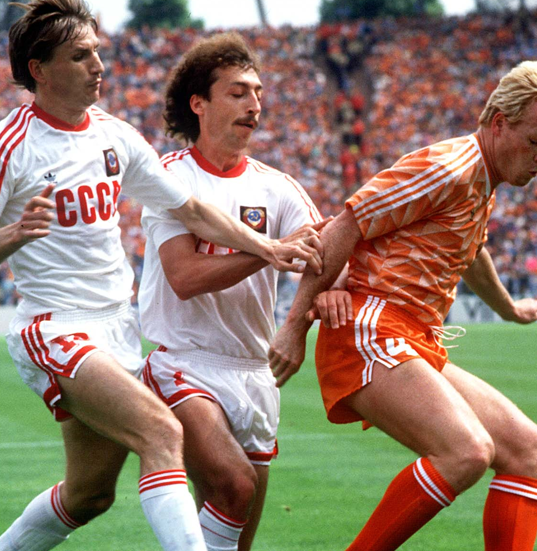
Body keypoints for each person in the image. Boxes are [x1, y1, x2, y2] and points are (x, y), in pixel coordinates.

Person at [0, 2, 321, 550]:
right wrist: (13, 234)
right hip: (53, 326)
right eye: (80, 55)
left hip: (116, 328)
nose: (98, 64)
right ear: (39, 69)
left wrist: (265, 246)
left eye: (97, 51)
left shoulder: (115, 136)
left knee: (89, 495)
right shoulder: (2, 146)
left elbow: (193, 209)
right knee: (161, 432)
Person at [268, 61, 537, 551]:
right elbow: (345, 224)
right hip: (369, 330)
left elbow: (470, 254)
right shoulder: (447, 167)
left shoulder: (481, 182)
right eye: (536, 140)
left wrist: (510, 308)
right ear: (498, 123)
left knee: (529, 450)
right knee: (466, 451)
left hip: (412, 336)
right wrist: (295, 326)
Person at [137, 33, 328, 551]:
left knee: (234, 536)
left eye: (258, 93)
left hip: (255, 371)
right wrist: (267, 250)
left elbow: (325, 257)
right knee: (234, 485)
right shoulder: (169, 179)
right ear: (199, 103)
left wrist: (300, 321)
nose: (255, 104)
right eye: (238, 92)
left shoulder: (277, 186)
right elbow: (184, 276)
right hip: (185, 363)